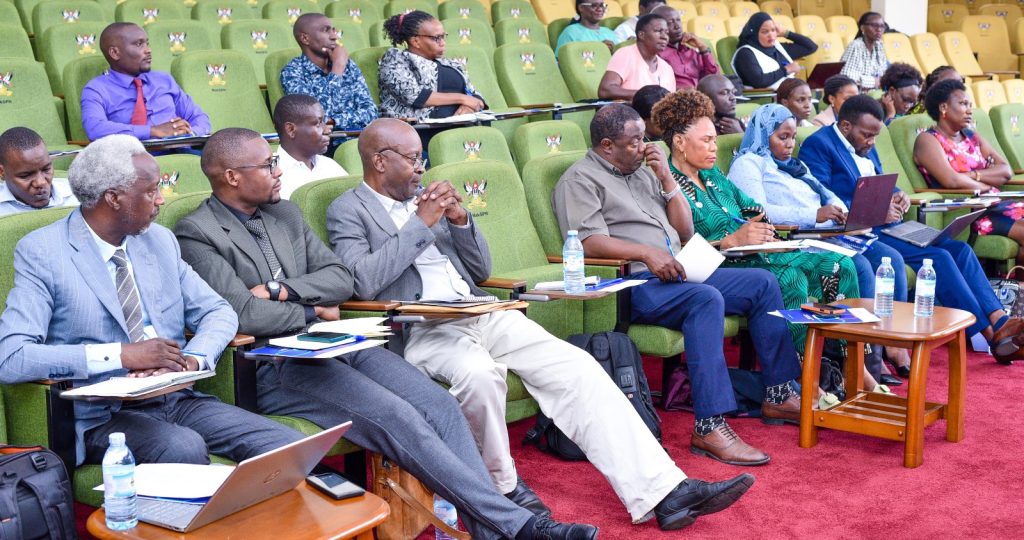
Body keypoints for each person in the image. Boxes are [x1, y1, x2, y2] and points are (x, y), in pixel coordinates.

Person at [327, 118, 755, 530]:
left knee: (577, 366)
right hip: (422, 326)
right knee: (480, 376)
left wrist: (460, 222)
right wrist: (420, 225)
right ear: (380, 160)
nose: (422, 168)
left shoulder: (427, 200)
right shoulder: (349, 210)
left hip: (480, 310)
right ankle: (503, 490)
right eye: (412, 158)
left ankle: (663, 492)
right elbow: (361, 281)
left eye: (422, 157)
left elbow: (479, 271)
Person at [174, 127, 597, 540]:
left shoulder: (284, 213)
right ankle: (521, 528)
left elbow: (340, 279)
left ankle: (495, 528)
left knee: (440, 405)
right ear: (231, 176)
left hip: (338, 340)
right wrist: (310, 309)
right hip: (279, 364)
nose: (279, 170)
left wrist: (282, 292)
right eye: (268, 164)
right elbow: (243, 314)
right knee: (400, 420)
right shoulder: (197, 233)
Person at [0, 134, 306, 467]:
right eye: (150, 191)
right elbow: (12, 356)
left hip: (174, 396)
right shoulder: (44, 252)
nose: (161, 201)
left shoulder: (158, 240)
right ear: (114, 198)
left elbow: (218, 311)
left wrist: (191, 359)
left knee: (286, 444)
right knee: (182, 446)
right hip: (102, 416)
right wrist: (122, 355)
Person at [554, 104, 806, 466]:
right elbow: (589, 242)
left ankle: (779, 392)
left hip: (674, 269)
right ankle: (709, 426)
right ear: (607, 145)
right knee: (704, 299)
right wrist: (647, 253)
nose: (644, 147)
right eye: (635, 141)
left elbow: (685, 231)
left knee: (761, 283)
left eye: (644, 138)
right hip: (631, 282)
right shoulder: (580, 180)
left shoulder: (643, 173)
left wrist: (668, 182)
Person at [799, 94, 1024, 365]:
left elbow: (880, 182)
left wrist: (899, 195)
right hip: (861, 230)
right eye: (867, 135)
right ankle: (990, 336)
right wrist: (875, 211)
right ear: (846, 126)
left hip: (892, 224)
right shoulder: (818, 145)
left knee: (960, 249)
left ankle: (1000, 320)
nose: (871, 142)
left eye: (874, 136)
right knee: (939, 258)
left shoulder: (863, 145)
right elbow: (822, 197)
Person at [652, 91, 860, 354]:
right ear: (680, 142)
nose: (715, 148)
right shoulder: (668, 183)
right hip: (718, 264)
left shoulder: (712, 174)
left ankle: (846, 359)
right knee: (791, 278)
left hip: (754, 253)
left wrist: (761, 228)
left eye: (715, 140)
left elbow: (752, 207)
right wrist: (731, 240)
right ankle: (802, 371)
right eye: (706, 141)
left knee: (840, 265)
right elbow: (679, 245)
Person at [727, 104, 896, 389]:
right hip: (787, 239)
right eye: (782, 137)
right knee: (855, 266)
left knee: (858, 265)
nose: (790, 144)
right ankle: (829, 368)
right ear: (764, 133)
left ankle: (856, 364)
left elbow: (827, 194)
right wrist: (814, 216)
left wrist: (841, 211)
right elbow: (757, 210)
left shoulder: (796, 166)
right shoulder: (749, 164)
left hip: (820, 234)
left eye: (793, 137)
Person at [914, 78, 1024, 262]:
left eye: (970, 104)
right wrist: (985, 183)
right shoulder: (928, 140)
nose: (969, 110)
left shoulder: (971, 136)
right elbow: (951, 181)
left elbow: (1005, 171)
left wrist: (974, 175)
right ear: (943, 108)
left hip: (993, 203)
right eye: (963, 104)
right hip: (969, 211)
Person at [81, 23, 210, 142]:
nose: (148, 50)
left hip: (180, 150)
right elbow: (95, 128)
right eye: (139, 44)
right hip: (133, 159)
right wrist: (152, 131)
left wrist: (188, 134)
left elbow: (199, 117)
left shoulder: (164, 80)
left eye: (147, 43)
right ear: (115, 53)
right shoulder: (96, 89)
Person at [377, 10, 486, 149]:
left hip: (462, 127)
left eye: (443, 37)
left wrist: (469, 107)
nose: (442, 43)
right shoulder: (396, 60)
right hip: (420, 132)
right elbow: (415, 96)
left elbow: (475, 95)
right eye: (436, 38)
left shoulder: (451, 64)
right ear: (415, 41)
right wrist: (462, 98)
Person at [280, 13, 378, 155]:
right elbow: (315, 118)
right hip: (324, 147)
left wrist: (335, 121)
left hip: (360, 140)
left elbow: (370, 111)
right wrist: (337, 69)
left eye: (333, 30)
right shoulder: (292, 72)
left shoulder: (348, 65)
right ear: (305, 38)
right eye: (326, 30)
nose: (334, 36)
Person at [272, 94, 348, 199]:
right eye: (318, 123)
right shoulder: (271, 175)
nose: (327, 130)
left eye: (324, 122)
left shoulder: (330, 165)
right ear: (291, 129)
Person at [0, 127, 78, 216]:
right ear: (2, 172)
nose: (41, 182)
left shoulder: (77, 195)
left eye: (46, 170)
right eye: (25, 175)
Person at [598, 14, 676, 100]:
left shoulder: (667, 68)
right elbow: (605, 90)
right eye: (658, 31)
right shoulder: (625, 54)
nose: (664, 37)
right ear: (641, 35)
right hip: (627, 112)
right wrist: (645, 95)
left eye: (666, 33)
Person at [731, 12, 816, 90]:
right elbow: (759, 81)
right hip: (766, 100)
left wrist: (785, 33)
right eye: (765, 32)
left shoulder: (778, 48)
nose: (771, 35)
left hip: (789, 95)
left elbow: (811, 47)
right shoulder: (745, 53)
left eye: (773, 30)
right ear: (754, 34)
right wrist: (786, 69)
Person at [653, 4, 719, 90]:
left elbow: (715, 78)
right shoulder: (656, 54)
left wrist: (703, 48)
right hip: (677, 99)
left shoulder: (691, 51)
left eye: (678, 20)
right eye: (670, 22)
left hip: (703, 97)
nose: (677, 27)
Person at [839, 12, 889, 90]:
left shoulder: (879, 45)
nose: (879, 29)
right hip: (857, 94)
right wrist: (874, 81)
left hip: (875, 91)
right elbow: (847, 78)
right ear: (862, 28)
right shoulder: (856, 46)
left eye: (882, 26)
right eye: (874, 25)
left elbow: (883, 72)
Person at [555, 0, 621, 56]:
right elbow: (562, 62)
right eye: (594, 5)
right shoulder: (571, 32)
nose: (600, 9)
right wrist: (598, 49)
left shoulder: (609, 32)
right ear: (581, 8)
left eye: (602, 5)